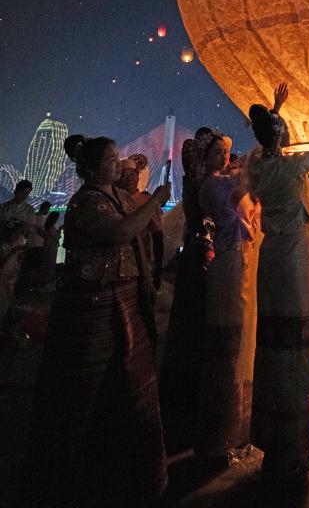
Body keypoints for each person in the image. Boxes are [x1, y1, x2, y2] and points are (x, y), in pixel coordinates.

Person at [21, 134, 170, 508]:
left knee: (124, 387)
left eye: (118, 157)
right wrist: (154, 199)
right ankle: (71, 480)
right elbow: (121, 231)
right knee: (83, 390)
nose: (119, 165)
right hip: (93, 307)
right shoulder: (88, 201)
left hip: (121, 301)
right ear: (91, 167)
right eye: (111, 159)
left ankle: (118, 471)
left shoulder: (114, 197)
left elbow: (145, 232)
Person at [244, 85, 309, 485]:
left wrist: (274, 111)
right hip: (295, 250)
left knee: (273, 338)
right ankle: (293, 446)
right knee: (296, 337)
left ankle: (272, 438)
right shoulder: (292, 166)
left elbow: (261, 140)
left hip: (270, 254)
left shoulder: (256, 166)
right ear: (280, 135)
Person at [194, 131, 257, 469]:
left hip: (235, 260)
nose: (223, 157)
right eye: (217, 153)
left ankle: (228, 430)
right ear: (205, 158)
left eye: (224, 153)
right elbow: (245, 184)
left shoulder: (219, 183)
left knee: (233, 336)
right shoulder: (214, 186)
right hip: (228, 264)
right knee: (228, 340)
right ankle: (221, 435)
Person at [159, 126, 220, 450]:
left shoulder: (205, 183)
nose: (224, 158)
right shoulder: (202, 185)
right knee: (197, 319)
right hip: (202, 258)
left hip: (202, 256)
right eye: (217, 153)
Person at [117, 157, 164, 290]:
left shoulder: (147, 201)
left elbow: (157, 234)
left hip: (141, 262)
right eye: (124, 175)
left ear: (138, 177)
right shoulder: (114, 200)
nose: (129, 178)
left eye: (132, 174)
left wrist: (158, 269)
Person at [37, 210, 62, 289]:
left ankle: (44, 281)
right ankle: (47, 282)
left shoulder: (48, 227)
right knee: (49, 264)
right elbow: (57, 237)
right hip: (51, 247)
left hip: (49, 246)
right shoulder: (51, 228)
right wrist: (60, 229)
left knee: (46, 263)